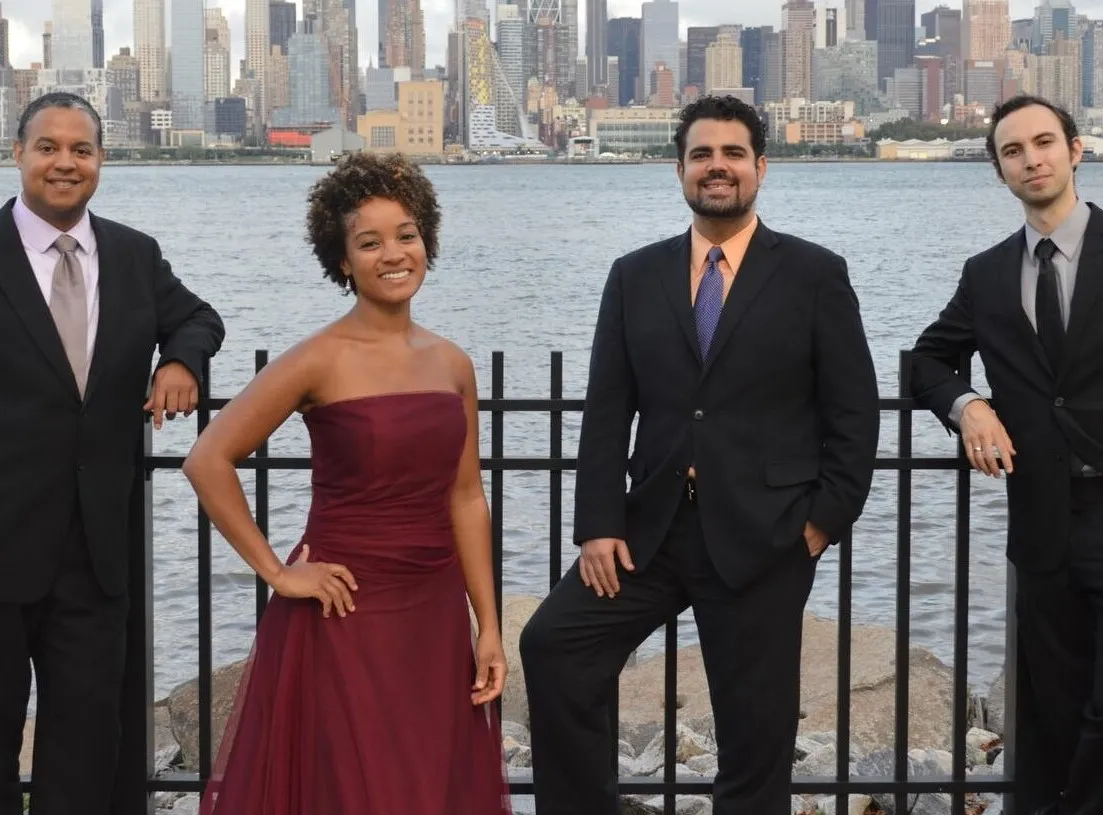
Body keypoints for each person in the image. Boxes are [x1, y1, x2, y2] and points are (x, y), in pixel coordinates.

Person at [518, 95, 881, 815]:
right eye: (701, 154)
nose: (717, 167)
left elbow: (853, 409)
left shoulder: (813, 273)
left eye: (733, 154)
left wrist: (821, 523)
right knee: (554, 647)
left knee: (754, 731)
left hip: (764, 534)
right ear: (678, 169)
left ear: (760, 167)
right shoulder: (634, 274)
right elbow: (606, 407)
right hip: (646, 532)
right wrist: (597, 522)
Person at [182, 151, 511, 815]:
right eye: (369, 242)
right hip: (342, 612)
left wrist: (489, 626)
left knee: (426, 787)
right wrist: (278, 572)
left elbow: (465, 496)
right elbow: (207, 458)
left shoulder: (452, 363)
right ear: (341, 260)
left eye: (407, 235)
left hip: (433, 613)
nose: (393, 253)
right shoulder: (317, 359)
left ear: (428, 243)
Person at [0, 92, 225, 815]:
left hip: (96, 554)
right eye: (48, 147)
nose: (65, 162)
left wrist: (180, 361)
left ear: (101, 160)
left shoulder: (134, 253)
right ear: (19, 154)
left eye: (82, 149)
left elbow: (196, 316)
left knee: (88, 746)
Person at [910, 94, 1103, 815]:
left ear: (1074, 150)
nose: (1031, 158)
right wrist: (969, 405)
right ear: (998, 172)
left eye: (1043, 142)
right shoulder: (986, 274)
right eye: (1012, 151)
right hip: (1043, 523)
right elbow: (926, 360)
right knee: (1053, 704)